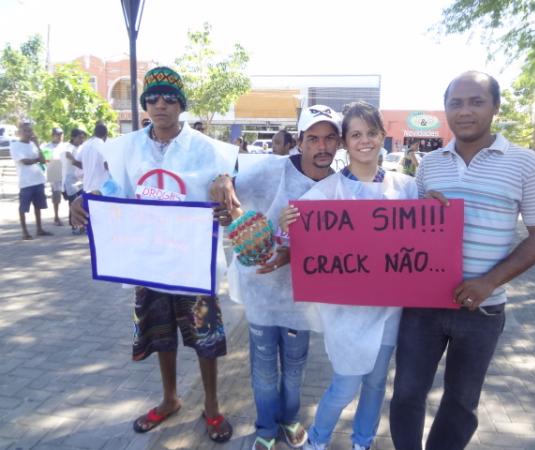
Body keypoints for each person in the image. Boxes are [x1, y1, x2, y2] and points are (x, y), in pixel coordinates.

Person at [389, 71, 535, 450]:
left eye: (476, 102)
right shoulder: (430, 164)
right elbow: (409, 236)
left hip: (482, 309)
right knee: (405, 395)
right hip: (422, 306)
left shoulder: (525, 163)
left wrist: (489, 282)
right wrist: (421, 215)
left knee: (461, 404)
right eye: (456, 103)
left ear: (495, 107)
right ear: (446, 109)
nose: (465, 111)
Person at [70, 66, 238, 442]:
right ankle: (170, 399)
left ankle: (211, 405)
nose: (160, 105)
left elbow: (223, 183)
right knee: (160, 334)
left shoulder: (207, 149)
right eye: (153, 98)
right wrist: (84, 200)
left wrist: (224, 184)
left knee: (204, 336)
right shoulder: (127, 148)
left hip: (192, 263)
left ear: (181, 104)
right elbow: (115, 188)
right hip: (148, 261)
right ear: (145, 103)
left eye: (169, 98)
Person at [280, 102, 417, 450]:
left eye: (372, 133)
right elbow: (295, 241)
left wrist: (435, 207)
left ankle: (363, 442)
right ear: (345, 141)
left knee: (374, 384)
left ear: (383, 136)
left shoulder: (407, 189)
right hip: (346, 313)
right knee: (344, 385)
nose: (365, 141)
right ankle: (319, 440)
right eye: (356, 134)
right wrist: (288, 227)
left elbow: (423, 239)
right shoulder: (324, 194)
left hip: (389, 309)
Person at [224, 104, 341, 450]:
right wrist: (224, 189)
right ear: (300, 141)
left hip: (303, 298)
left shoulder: (341, 186)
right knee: (263, 367)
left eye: (330, 139)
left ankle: (290, 419)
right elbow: (230, 191)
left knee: (295, 366)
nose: (322, 146)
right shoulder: (270, 171)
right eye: (314, 138)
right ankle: (264, 426)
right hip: (262, 288)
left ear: (338, 144)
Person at [9, 122, 53, 240]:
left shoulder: (33, 145)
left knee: (38, 206)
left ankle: (39, 229)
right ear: (19, 133)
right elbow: (24, 161)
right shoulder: (15, 145)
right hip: (26, 182)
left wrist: (38, 145)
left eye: (30, 131)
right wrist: (36, 159)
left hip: (38, 180)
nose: (29, 133)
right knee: (23, 208)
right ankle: (25, 232)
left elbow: (43, 161)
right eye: (26, 131)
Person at [60, 128, 86, 233]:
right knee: (73, 203)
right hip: (69, 180)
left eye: (83, 138)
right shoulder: (68, 146)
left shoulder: (80, 148)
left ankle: (81, 225)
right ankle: (74, 226)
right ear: (73, 137)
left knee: (82, 202)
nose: (81, 140)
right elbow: (68, 154)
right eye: (79, 138)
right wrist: (75, 161)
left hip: (80, 180)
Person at [77, 123, 109, 193]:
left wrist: (88, 167)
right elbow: (106, 165)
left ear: (94, 133)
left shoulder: (85, 144)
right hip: (99, 188)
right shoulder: (102, 145)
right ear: (106, 134)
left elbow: (75, 161)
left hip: (86, 186)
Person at [43, 127, 65, 226]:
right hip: (55, 173)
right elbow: (46, 160)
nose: (60, 136)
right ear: (53, 135)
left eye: (61, 134)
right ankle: (56, 217)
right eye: (57, 134)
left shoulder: (66, 146)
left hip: (66, 174)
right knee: (56, 196)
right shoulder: (48, 146)